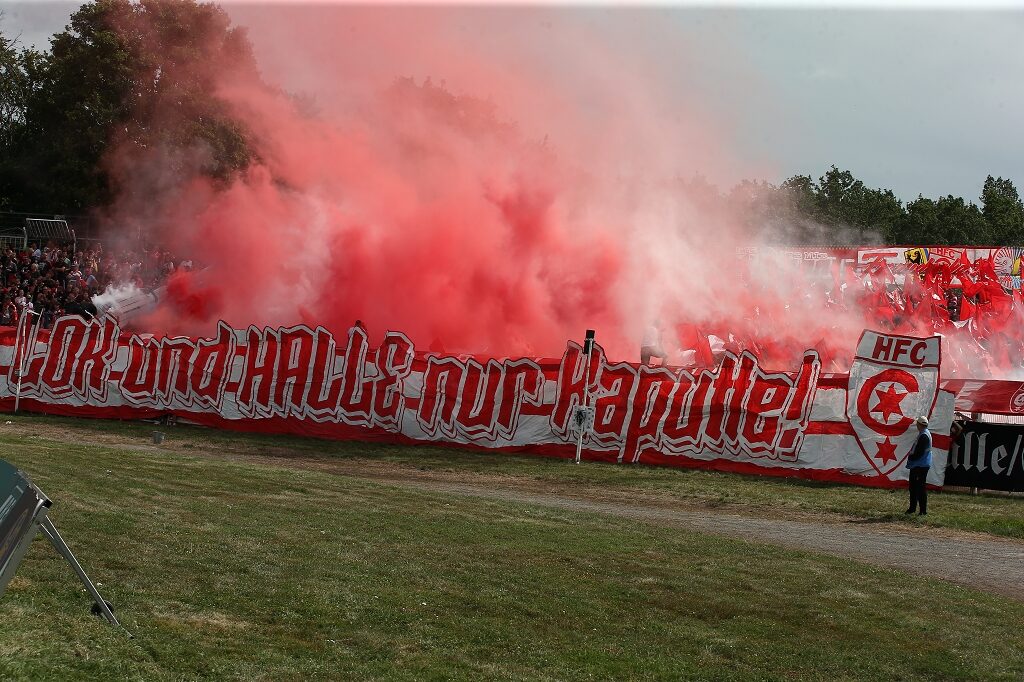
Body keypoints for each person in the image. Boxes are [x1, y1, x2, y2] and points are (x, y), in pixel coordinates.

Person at [905, 416, 932, 516]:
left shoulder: (923, 435)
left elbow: (919, 452)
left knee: (919, 488)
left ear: (919, 424)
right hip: (920, 464)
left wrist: (911, 458)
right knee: (914, 487)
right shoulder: (924, 433)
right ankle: (913, 509)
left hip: (920, 465)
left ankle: (922, 511)